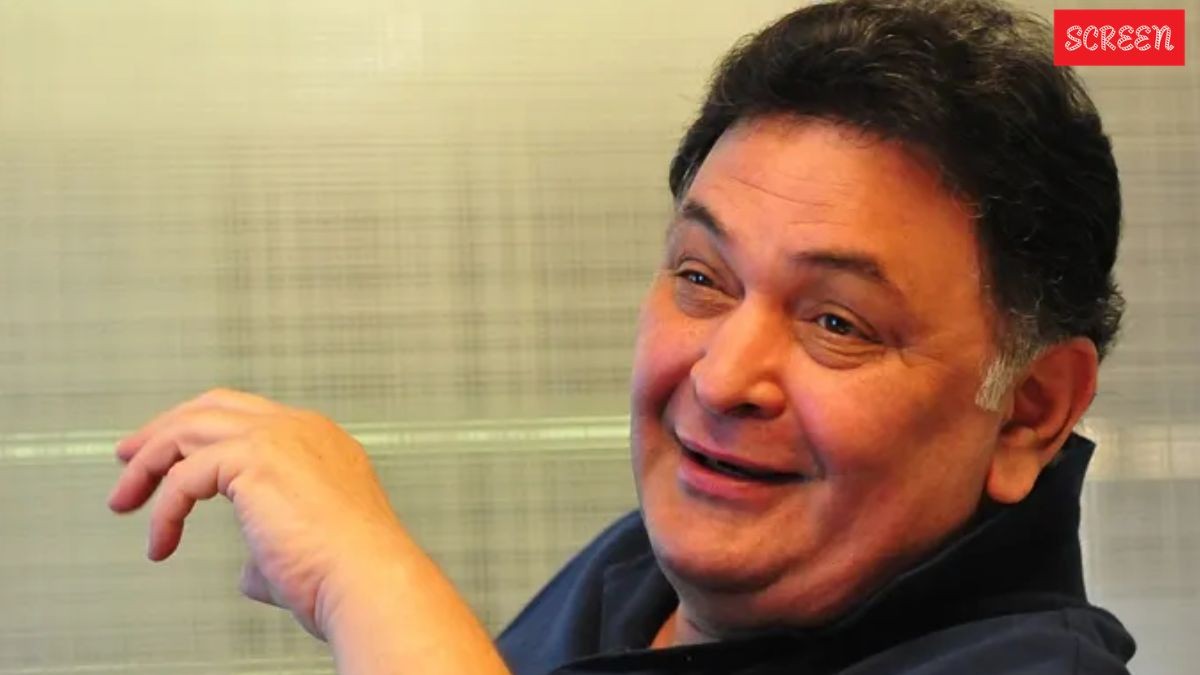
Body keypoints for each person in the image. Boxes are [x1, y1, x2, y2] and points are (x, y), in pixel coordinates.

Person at [106, 0, 1136, 673]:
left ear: (1028, 412)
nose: (723, 377)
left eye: (837, 322)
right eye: (702, 277)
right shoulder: (636, 570)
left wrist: (369, 586)